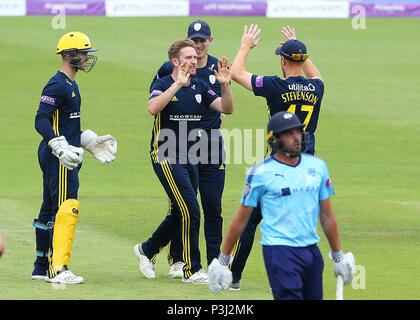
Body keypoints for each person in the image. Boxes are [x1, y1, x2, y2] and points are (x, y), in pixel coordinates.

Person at [208, 112, 355, 300]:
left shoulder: (317, 166)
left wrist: (338, 256)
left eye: (298, 132)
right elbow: (241, 218)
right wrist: (223, 259)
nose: (296, 137)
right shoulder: (260, 172)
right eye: (288, 134)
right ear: (275, 140)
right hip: (279, 251)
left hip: (311, 251)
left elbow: (327, 215)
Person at [228, 25, 325, 290]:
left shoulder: (274, 85)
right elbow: (317, 75)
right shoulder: (316, 88)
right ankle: (292, 278)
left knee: (250, 222)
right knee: (296, 225)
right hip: (308, 167)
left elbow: (236, 73)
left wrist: (245, 46)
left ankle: (234, 277)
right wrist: (299, 50)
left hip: (280, 166)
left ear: (282, 60)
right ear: (303, 61)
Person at [134, 38, 233, 284]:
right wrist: (176, 85)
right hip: (166, 154)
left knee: (181, 210)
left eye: (195, 57)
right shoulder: (163, 83)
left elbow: (226, 108)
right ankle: (191, 269)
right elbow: (153, 108)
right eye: (188, 57)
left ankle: (147, 249)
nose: (194, 60)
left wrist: (226, 85)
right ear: (175, 62)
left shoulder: (200, 85)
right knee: (191, 209)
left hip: (191, 155)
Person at [33, 31, 117, 284]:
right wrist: (57, 145)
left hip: (62, 151)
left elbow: (67, 125)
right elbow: (41, 119)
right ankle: (58, 269)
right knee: (66, 206)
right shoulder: (57, 84)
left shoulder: (71, 85)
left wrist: (88, 141)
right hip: (59, 156)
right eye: (83, 53)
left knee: (49, 208)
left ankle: (40, 266)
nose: (86, 58)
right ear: (69, 55)